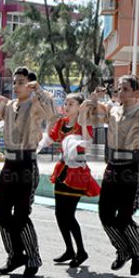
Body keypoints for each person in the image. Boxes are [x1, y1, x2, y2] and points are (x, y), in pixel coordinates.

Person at [0, 66, 57, 278]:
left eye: (21, 82)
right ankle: (15, 255)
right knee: (1, 212)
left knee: (21, 215)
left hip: (27, 164)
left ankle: (32, 257)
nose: (16, 86)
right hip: (9, 164)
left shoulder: (36, 103)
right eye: (14, 82)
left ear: (30, 84)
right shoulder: (9, 106)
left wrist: (39, 90)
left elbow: (53, 114)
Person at [84, 75, 139, 276]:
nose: (120, 92)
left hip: (131, 168)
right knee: (105, 214)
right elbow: (85, 118)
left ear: (136, 92)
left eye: (125, 89)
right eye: (119, 88)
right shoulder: (112, 110)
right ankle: (123, 249)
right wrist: (94, 99)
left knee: (124, 216)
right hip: (112, 167)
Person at [47, 93, 100, 268]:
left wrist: (83, 119)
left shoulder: (84, 124)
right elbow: (50, 139)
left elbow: (87, 143)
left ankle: (81, 251)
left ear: (79, 107)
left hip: (77, 173)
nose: (67, 106)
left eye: (71, 104)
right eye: (66, 103)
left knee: (68, 214)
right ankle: (69, 250)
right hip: (62, 170)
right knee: (59, 214)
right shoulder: (61, 122)